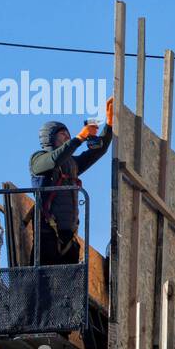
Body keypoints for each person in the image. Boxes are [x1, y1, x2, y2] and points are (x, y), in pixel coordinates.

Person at [29, 98, 114, 264]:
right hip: (47, 237)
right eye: (62, 134)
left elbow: (97, 152)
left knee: (68, 288)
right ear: (50, 138)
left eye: (68, 133)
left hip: (69, 239)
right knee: (43, 285)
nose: (67, 136)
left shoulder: (71, 165)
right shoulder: (38, 160)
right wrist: (79, 138)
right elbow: (54, 159)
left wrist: (109, 125)